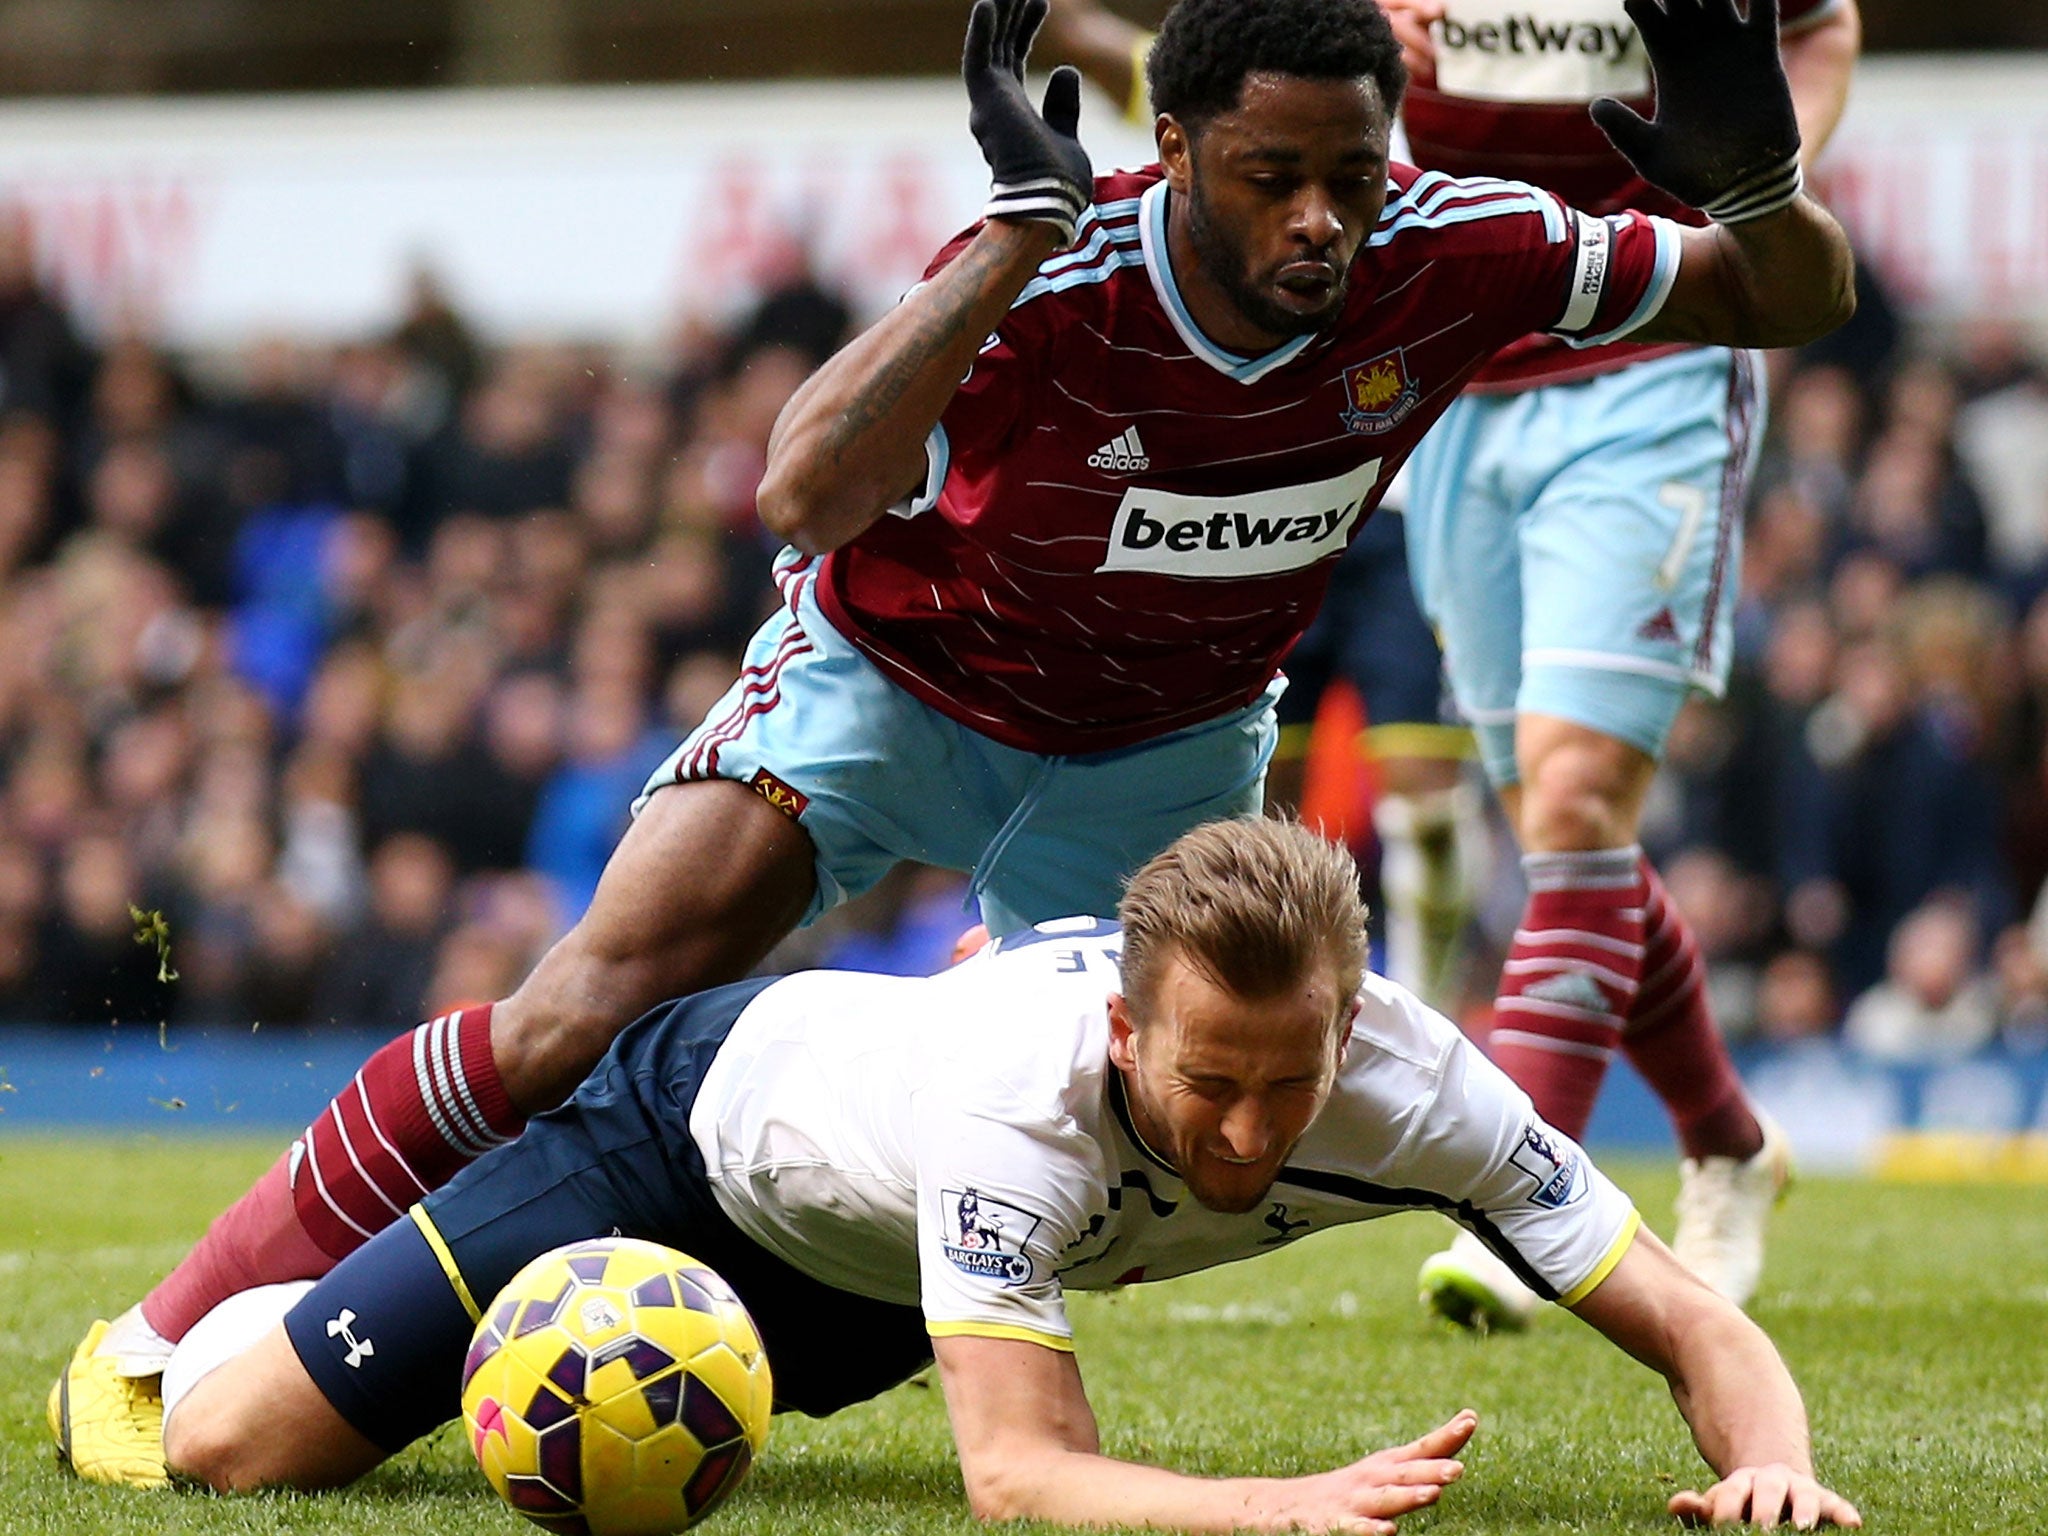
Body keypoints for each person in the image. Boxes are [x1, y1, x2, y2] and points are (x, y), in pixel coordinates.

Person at [52, 0, 1856, 1486]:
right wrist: (1003, 245)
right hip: (900, 687)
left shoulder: (1462, 251)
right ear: (1177, 156)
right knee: (574, 1009)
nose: (1321, 218)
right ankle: (155, 1342)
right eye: (1271, 178)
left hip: (1161, 750)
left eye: (1351, 177)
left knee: (1107, 1111)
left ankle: (793, 1314)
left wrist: (1760, 184)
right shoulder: (1061, 277)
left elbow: (1788, 299)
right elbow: (800, 486)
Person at [135, 820, 1857, 1532]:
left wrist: (1775, 1473)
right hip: (684, 1147)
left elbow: (1698, 1325)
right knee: (229, 1453)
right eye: (1207, 1085)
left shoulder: (1423, 1090)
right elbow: (1021, 1474)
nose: (1255, 1137)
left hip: (881, 1279)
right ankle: (279, 1298)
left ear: (1352, 1025)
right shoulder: (1017, 1089)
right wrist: (1285, 1504)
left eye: (1294, 1081)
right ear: (1124, 1028)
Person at [1049, 0, 1862, 1329]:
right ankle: (1726, 1141)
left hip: (1655, 345)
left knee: (1574, 802)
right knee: (1560, 830)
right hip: (1468, 370)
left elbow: (1821, 21)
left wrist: (1767, 177)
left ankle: (1527, 1201)